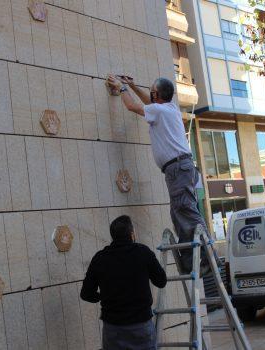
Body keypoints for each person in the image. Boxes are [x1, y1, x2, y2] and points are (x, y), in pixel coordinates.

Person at [107, 74, 209, 274]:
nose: (150, 94)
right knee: (180, 214)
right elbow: (148, 103)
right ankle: (192, 260)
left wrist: (122, 88)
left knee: (185, 212)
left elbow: (132, 107)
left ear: (157, 95)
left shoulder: (160, 110)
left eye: (152, 90)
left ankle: (204, 257)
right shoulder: (168, 108)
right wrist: (134, 85)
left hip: (178, 168)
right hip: (181, 168)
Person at [80, 215, 167, 350]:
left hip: (113, 329)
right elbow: (161, 281)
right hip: (141, 326)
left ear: (113, 236)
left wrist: (103, 297)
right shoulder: (143, 252)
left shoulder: (100, 258)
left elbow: (86, 294)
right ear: (131, 234)